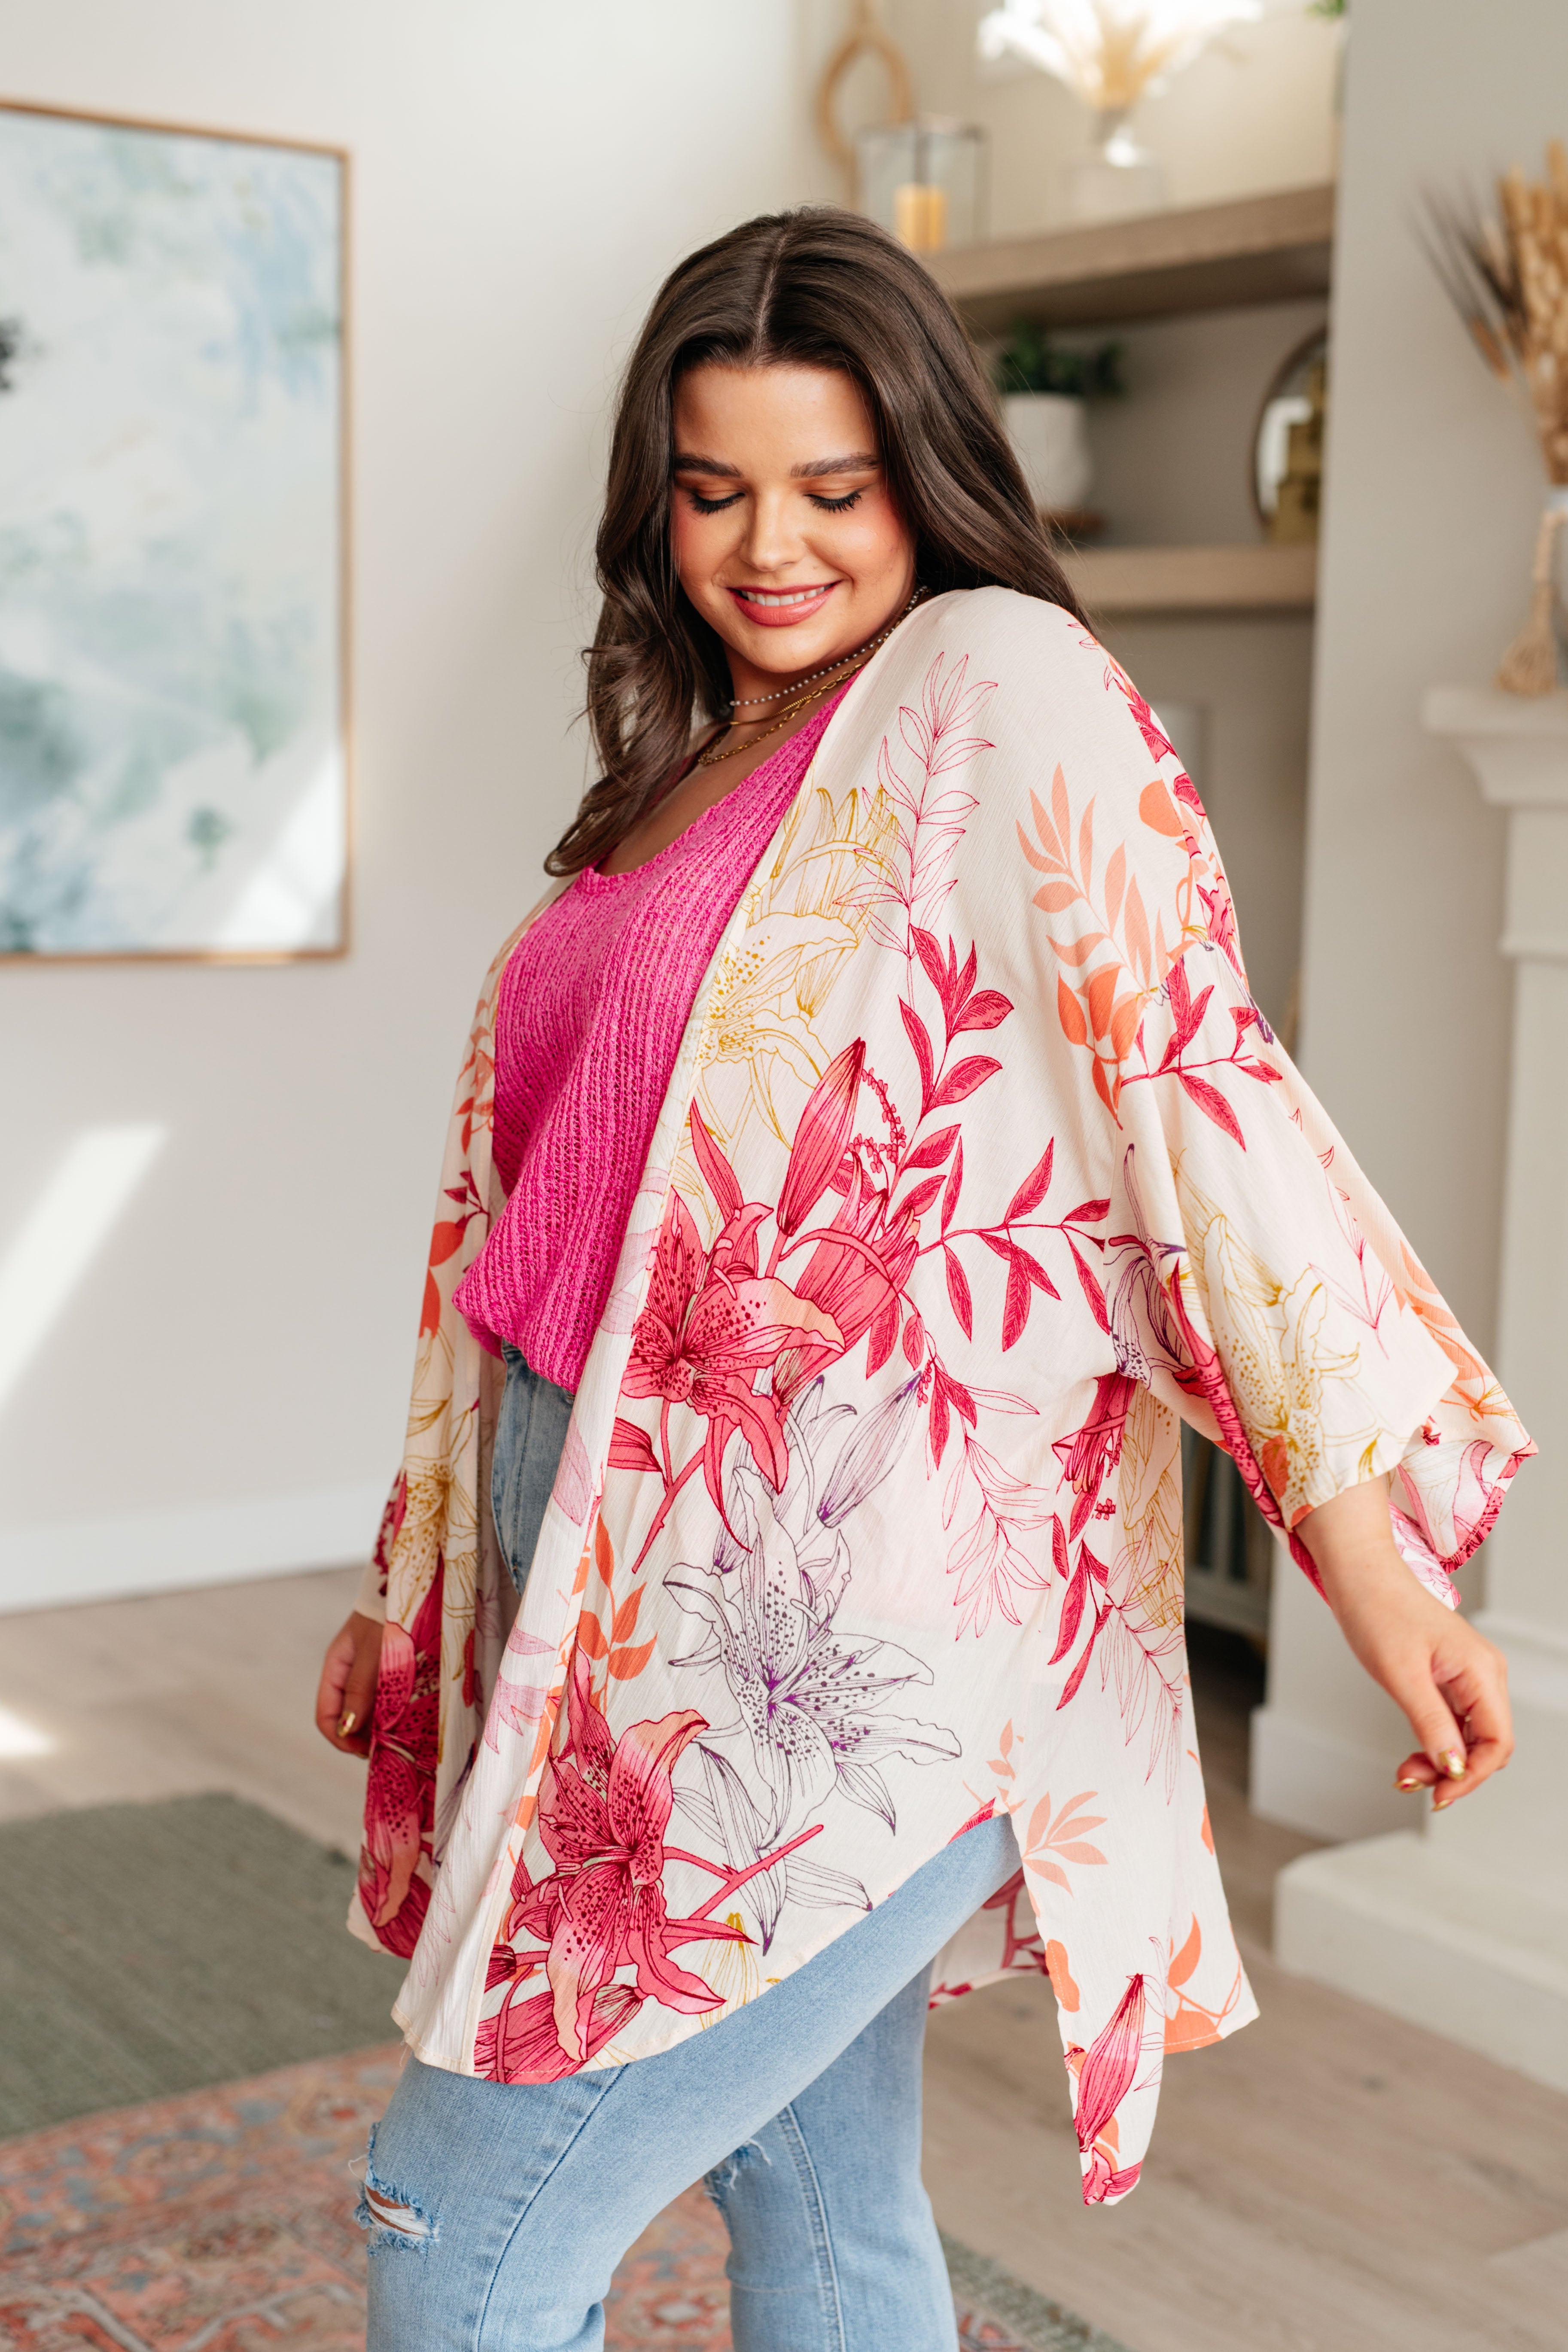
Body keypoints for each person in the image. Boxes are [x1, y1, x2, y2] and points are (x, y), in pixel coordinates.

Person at [314, 209, 1529, 2352]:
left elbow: (1193, 1102)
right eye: (711, 491)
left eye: (830, 488)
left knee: (454, 2215)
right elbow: (543, 1221)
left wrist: (1370, 1564)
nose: (765, 544)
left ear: (930, 475)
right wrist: (436, 1579)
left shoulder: (996, 683)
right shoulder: (690, 760)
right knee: (825, 2183)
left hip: (834, 1630)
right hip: (603, 1548)